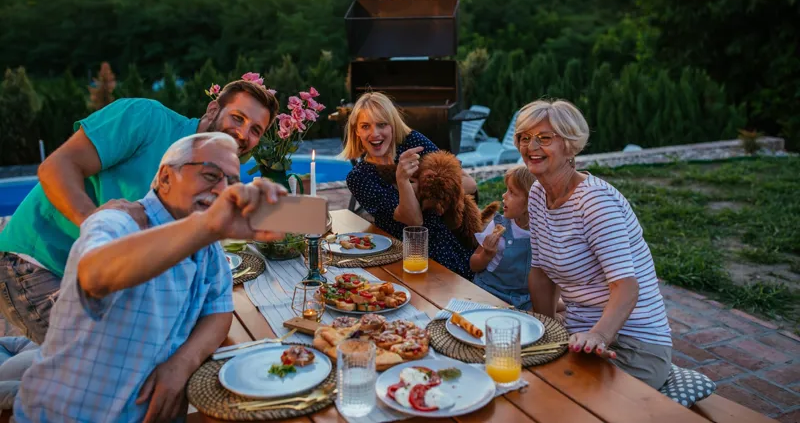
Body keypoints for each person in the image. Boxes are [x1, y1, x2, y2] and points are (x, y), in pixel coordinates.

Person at [14, 133, 287, 422]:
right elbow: (95, 274)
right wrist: (206, 226)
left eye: (230, 182)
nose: (222, 190)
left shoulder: (206, 243)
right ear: (166, 178)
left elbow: (218, 310)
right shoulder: (119, 220)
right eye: (210, 175)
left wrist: (182, 363)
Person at [0, 76, 278, 344]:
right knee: (115, 371)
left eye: (256, 130)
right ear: (213, 108)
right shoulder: (146, 119)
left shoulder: (213, 174)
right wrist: (96, 224)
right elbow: (55, 167)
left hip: (110, 281)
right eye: (237, 118)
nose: (243, 133)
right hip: (38, 265)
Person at [520, 99, 672, 389]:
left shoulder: (596, 202)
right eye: (524, 138)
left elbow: (626, 287)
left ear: (570, 145)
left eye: (544, 138)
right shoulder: (538, 193)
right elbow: (540, 273)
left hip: (633, 345)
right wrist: (546, 330)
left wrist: (599, 336)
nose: (531, 147)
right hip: (579, 333)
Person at [341, 92, 479, 279]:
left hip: (451, 242)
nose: (374, 133)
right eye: (365, 126)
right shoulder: (359, 177)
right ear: (356, 131)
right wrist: (403, 180)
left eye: (382, 124)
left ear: (393, 125)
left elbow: (469, 183)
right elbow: (414, 221)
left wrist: (419, 189)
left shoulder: (413, 142)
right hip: (407, 256)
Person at [470, 166, 536, 310]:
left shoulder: (543, 232)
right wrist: (486, 255)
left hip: (523, 299)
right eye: (507, 190)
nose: (504, 196)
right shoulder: (498, 225)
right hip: (489, 293)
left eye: (512, 192)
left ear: (532, 200)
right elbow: (473, 264)